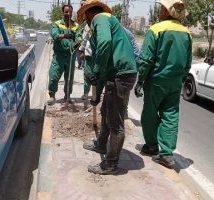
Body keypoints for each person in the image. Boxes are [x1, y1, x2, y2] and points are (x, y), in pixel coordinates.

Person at [77, 0, 138, 175]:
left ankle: (111, 164)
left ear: (89, 13)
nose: (87, 24)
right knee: (105, 109)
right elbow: (104, 64)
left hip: (121, 75)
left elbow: (104, 45)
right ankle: (101, 144)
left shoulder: (100, 18)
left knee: (115, 121)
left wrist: (95, 70)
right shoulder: (107, 21)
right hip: (116, 74)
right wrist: (97, 87)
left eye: (86, 20)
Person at [134, 0, 192, 168]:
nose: (159, 11)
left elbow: (146, 59)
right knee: (171, 115)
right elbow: (188, 62)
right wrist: (181, 79)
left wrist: (141, 80)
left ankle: (152, 146)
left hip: (156, 81)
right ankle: (167, 154)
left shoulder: (156, 29)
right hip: (175, 82)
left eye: (161, 8)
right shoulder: (187, 33)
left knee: (150, 114)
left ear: (166, 12)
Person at [47, 4, 82, 105]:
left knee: (69, 78)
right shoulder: (57, 24)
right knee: (53, 76)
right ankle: (52, 96)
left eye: (70, 12)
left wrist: (77, 43)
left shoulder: (76, 26)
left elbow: (79, 37)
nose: (68, 14)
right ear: (63, 12)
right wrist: (65, 35)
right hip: (59, 56)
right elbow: (54, 35)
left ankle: (67, 96)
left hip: (71, 56)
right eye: (66, 12)